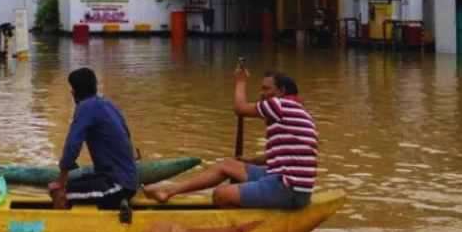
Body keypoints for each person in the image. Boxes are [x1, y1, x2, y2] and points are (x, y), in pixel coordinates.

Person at [143, 67, 317, 208]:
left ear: (281, 91)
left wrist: (241, 81)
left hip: (287, 189)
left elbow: (240, 108)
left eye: (266, 89)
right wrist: (251, 161)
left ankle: (245, 215)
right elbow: (282, 154)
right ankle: (170, 190)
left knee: (220, 194)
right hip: (284, 182)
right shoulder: (297, 111)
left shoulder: (280, 104)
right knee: (227, 165)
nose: (262, 94)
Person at [48, 68, 139, 209]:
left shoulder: (85, 107)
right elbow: (126, 133)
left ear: (74, 92)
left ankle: (57, 221)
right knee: (75, 183)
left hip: (118, 186)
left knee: (58, 192)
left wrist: (61, 181)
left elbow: (72, 147)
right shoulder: (108, 104)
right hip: (126, 181)